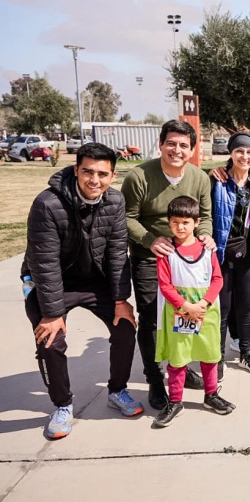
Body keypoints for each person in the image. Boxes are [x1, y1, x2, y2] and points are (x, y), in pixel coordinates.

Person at [25, 143, 142, 440]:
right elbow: (44, 262)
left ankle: (117, 390)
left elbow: (118, 253)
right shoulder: (47, 204)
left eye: (102, 174)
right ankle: (62, 404)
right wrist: (51, 313)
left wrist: (120, 300)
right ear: (76, 170)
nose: (94, 180)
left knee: (125, 328)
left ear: (112, 175)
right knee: (50, 340)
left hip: (96, 283)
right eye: (87, 171)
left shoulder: (114, 201)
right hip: (54, 283)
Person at [122, 119, 214, 410]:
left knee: (186, 316)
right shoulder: (138, 177)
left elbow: (206, 216)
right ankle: (154, 377)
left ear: (192, 150)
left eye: (184, 145)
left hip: (188, 262)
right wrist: (150, 240)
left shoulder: (200, 178)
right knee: (151, 319)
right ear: (161, 144)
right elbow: (126, 218)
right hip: (151, 258)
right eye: (171, 143)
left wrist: (206, 237)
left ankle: (182, 367)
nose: (177, 150)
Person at [153, 196, 234, 427]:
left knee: (210, 356)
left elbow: (218, 279)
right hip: (179, 313)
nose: (180, 227)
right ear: (169, 223)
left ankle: (211, 395)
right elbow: (165, 285)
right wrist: (186, 306)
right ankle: (176, 401)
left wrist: (204, 304)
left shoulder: (208, 249)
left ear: (196, 222)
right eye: (175, 222)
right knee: (178, 359)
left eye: (186, 222)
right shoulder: (166, 252)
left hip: (206, 312)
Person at [211, 131, 250, 379]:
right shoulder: (216, 180)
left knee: (247, 307)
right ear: (231, 153)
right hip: (222, 254)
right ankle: (218, 359)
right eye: (240, 151)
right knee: (222, 310)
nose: (244, 156)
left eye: (249, 152)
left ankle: (247, 353)